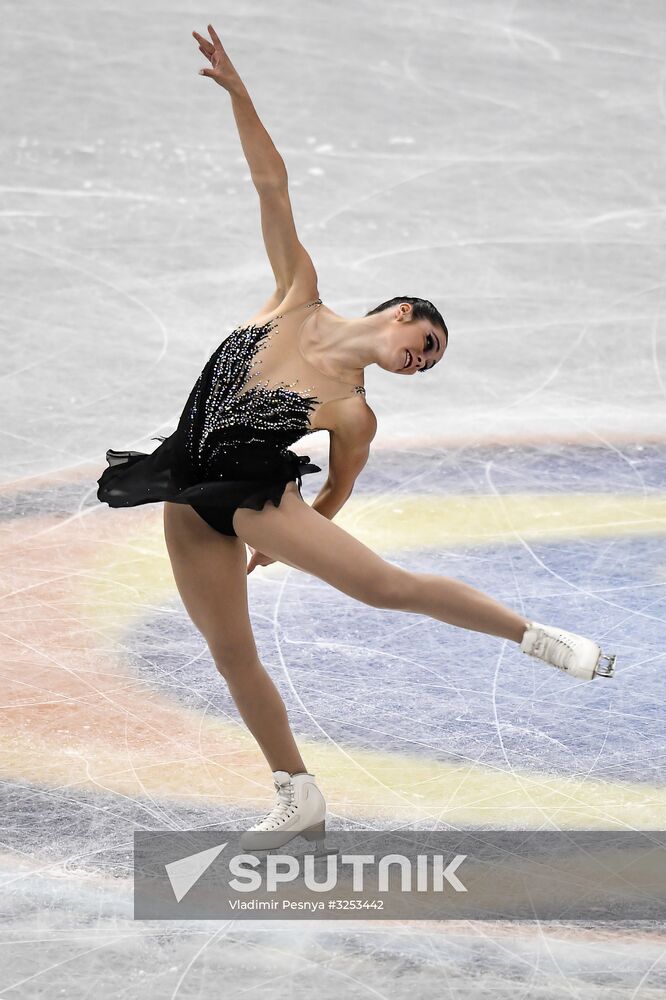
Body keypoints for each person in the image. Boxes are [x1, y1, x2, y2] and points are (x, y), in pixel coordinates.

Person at [97, 24, 616, 852]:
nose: (421, 361)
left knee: (384, 588)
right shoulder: (295, 293)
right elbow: (271, 183)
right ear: (401, 313)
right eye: (425, 345)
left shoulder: (353, 412)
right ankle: (297, 793)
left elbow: (338, 488)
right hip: (184, 490)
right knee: (231, 654)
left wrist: (297, 537)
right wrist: (240, 94)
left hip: (255, 496)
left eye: (428, 365)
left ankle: (533, 636)